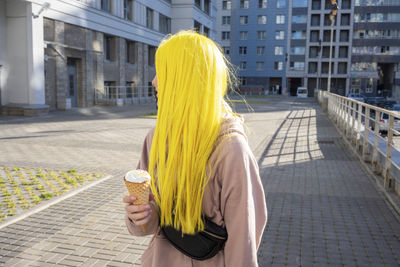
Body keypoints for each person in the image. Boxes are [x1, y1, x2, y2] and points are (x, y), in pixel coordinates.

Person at [123, 31, 267, 267]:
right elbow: (147, 226)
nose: (154, 82)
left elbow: (244, 242)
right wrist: (142, 214)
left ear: (186, 80)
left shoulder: (231, 149)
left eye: (162, 71)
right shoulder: (155, 138)